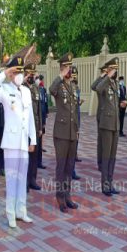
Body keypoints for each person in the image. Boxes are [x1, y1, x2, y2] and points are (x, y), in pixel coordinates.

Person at [0, 54, 36, 227]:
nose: (19, 75)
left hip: (24, 142)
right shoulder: (5, 89)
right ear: (12, 73)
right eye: (16, 71)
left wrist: (33, 140)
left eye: (21, 72)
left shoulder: (27, 91)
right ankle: (10, 214)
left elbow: (30, 117)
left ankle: (21, 211)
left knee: (22, 179)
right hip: (11, 142)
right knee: (11, 179)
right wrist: (4, 73)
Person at [49, 52, 79, 213]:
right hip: (61, 133)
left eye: (70, 67)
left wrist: (78, 130)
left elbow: (74, 111)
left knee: (69, 166)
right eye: (67, 67)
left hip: (72, 133)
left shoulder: (73, 86)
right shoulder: (59, 85)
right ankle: (60, 197)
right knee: (61, 167)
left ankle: (67, 195)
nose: (70, 70)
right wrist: (60, 75)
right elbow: (51, 89)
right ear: (62, 69)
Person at [95, 57, 120, 196]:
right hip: (106, 124)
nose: (115, 71)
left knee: (112, 156)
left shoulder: (115, 84)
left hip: (115, 124)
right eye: (114, 69)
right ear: (109, 69)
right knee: (106, 156)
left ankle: (110, 182)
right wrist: (106, 76)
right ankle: (105, 185)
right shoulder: (104, 83)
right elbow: (97, 88)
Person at [23, 63, 43, 192]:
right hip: (24, 128)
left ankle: (32, 180)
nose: (32, 76)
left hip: (35, 127)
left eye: (33, 73)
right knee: (25, 156)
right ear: (25, 74)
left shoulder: (36, 89)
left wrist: (40, 127)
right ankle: (24, 182)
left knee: (34, 155)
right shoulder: (21, 88)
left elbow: (39, 110)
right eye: (30, 73)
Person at [91, 65, 108, 172]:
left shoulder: (110, 82)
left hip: (110, 116)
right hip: (101, 115)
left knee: (108, 142)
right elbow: (93, 86)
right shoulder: (101, 83)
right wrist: (101, 76)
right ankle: (100, 163)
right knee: (101, 140)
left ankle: (106, 162)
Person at [71, 65, 83, 180]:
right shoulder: (68, 88)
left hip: (77, 119)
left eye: (76, 75)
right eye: (73, 74)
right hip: (70, 122)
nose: (74, 77)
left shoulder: (77, 88)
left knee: (75, 145)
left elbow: (76, 105)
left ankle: (72, 170)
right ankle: (70, 170)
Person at [36, 74, 48, 169]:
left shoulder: (43, 90)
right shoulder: (32, 90)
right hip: (35, 122)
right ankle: (35, 162)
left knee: (39, 144)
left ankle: (39, 162)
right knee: (35, 144)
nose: (39, 80)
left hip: (41, 119)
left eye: (39, 78)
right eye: (37, 78)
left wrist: (44, 121)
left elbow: (44, 105)